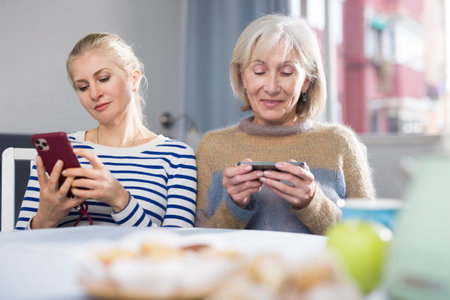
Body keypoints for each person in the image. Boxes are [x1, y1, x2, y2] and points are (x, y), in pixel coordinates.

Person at [195, 14, 374, 235]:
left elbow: (370, 236)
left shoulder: (340, 143)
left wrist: (313, 202)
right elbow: (196, 244)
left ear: (306, 82)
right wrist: (234, 206)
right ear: (243, 77)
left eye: (286, 73)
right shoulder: (212, 147)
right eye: (259, 71)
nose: (271, 87)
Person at [16, 33, 196, 229]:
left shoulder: (177, 156)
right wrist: (46, 218)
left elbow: (176, 253)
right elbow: (17, 245)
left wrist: (120, 199)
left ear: (134, 79)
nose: (94, 94)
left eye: (103, 78)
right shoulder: (57, 155)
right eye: (83, 87)